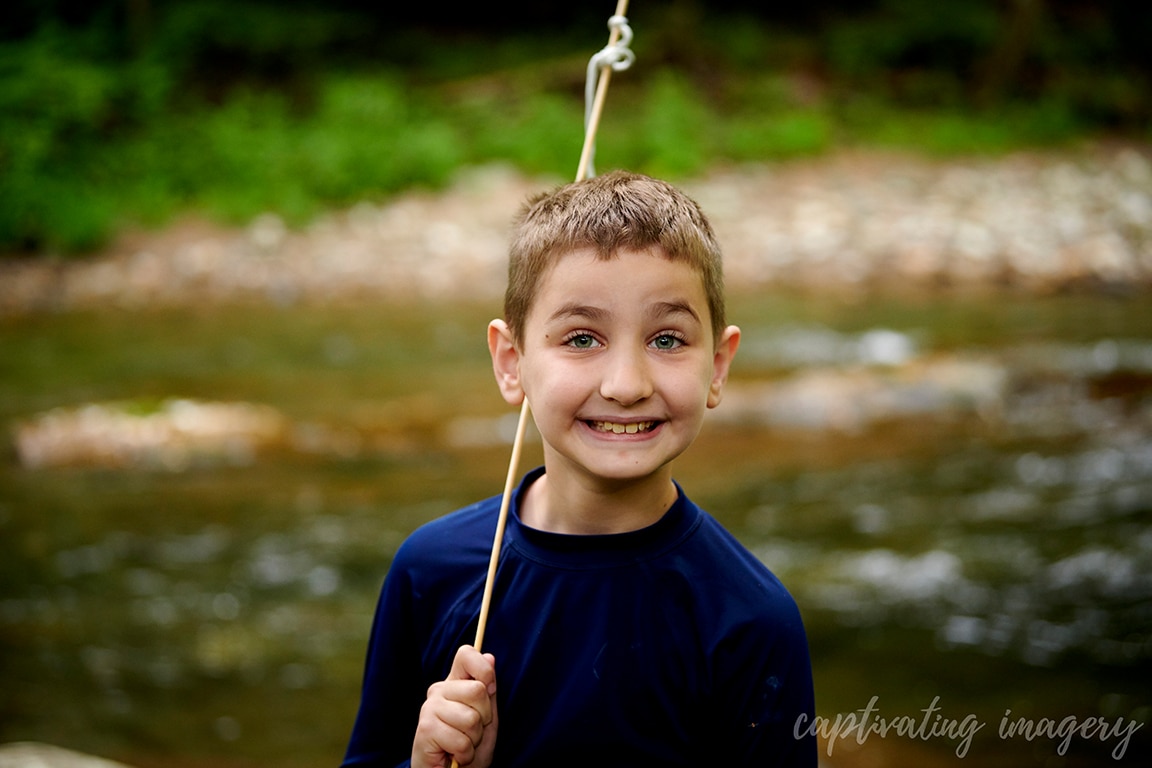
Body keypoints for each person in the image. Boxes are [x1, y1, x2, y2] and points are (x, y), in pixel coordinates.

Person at [341, 170, 816, 768]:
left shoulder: (751, 621)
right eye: (583, 338)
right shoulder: (431, 572)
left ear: (718, 366)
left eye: (667, 340)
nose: (626, 385)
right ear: (511, 362)